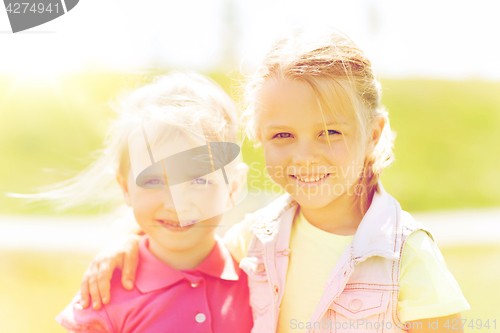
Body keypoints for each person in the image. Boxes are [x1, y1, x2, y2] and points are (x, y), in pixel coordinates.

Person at [78, 28, 470, 332]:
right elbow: (182, 244)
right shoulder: (253, 240)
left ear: (372, 133)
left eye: (330, 132)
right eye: (283, 135)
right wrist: (129, 247)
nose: (304, 156)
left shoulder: (407, 257)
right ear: (259, 138)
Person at [52, 72, 253, 333]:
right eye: (155, 182)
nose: (177, 205)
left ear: (232, 189)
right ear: (125, 187)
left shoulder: (259, 280)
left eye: (200, 181)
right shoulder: (104, 295)